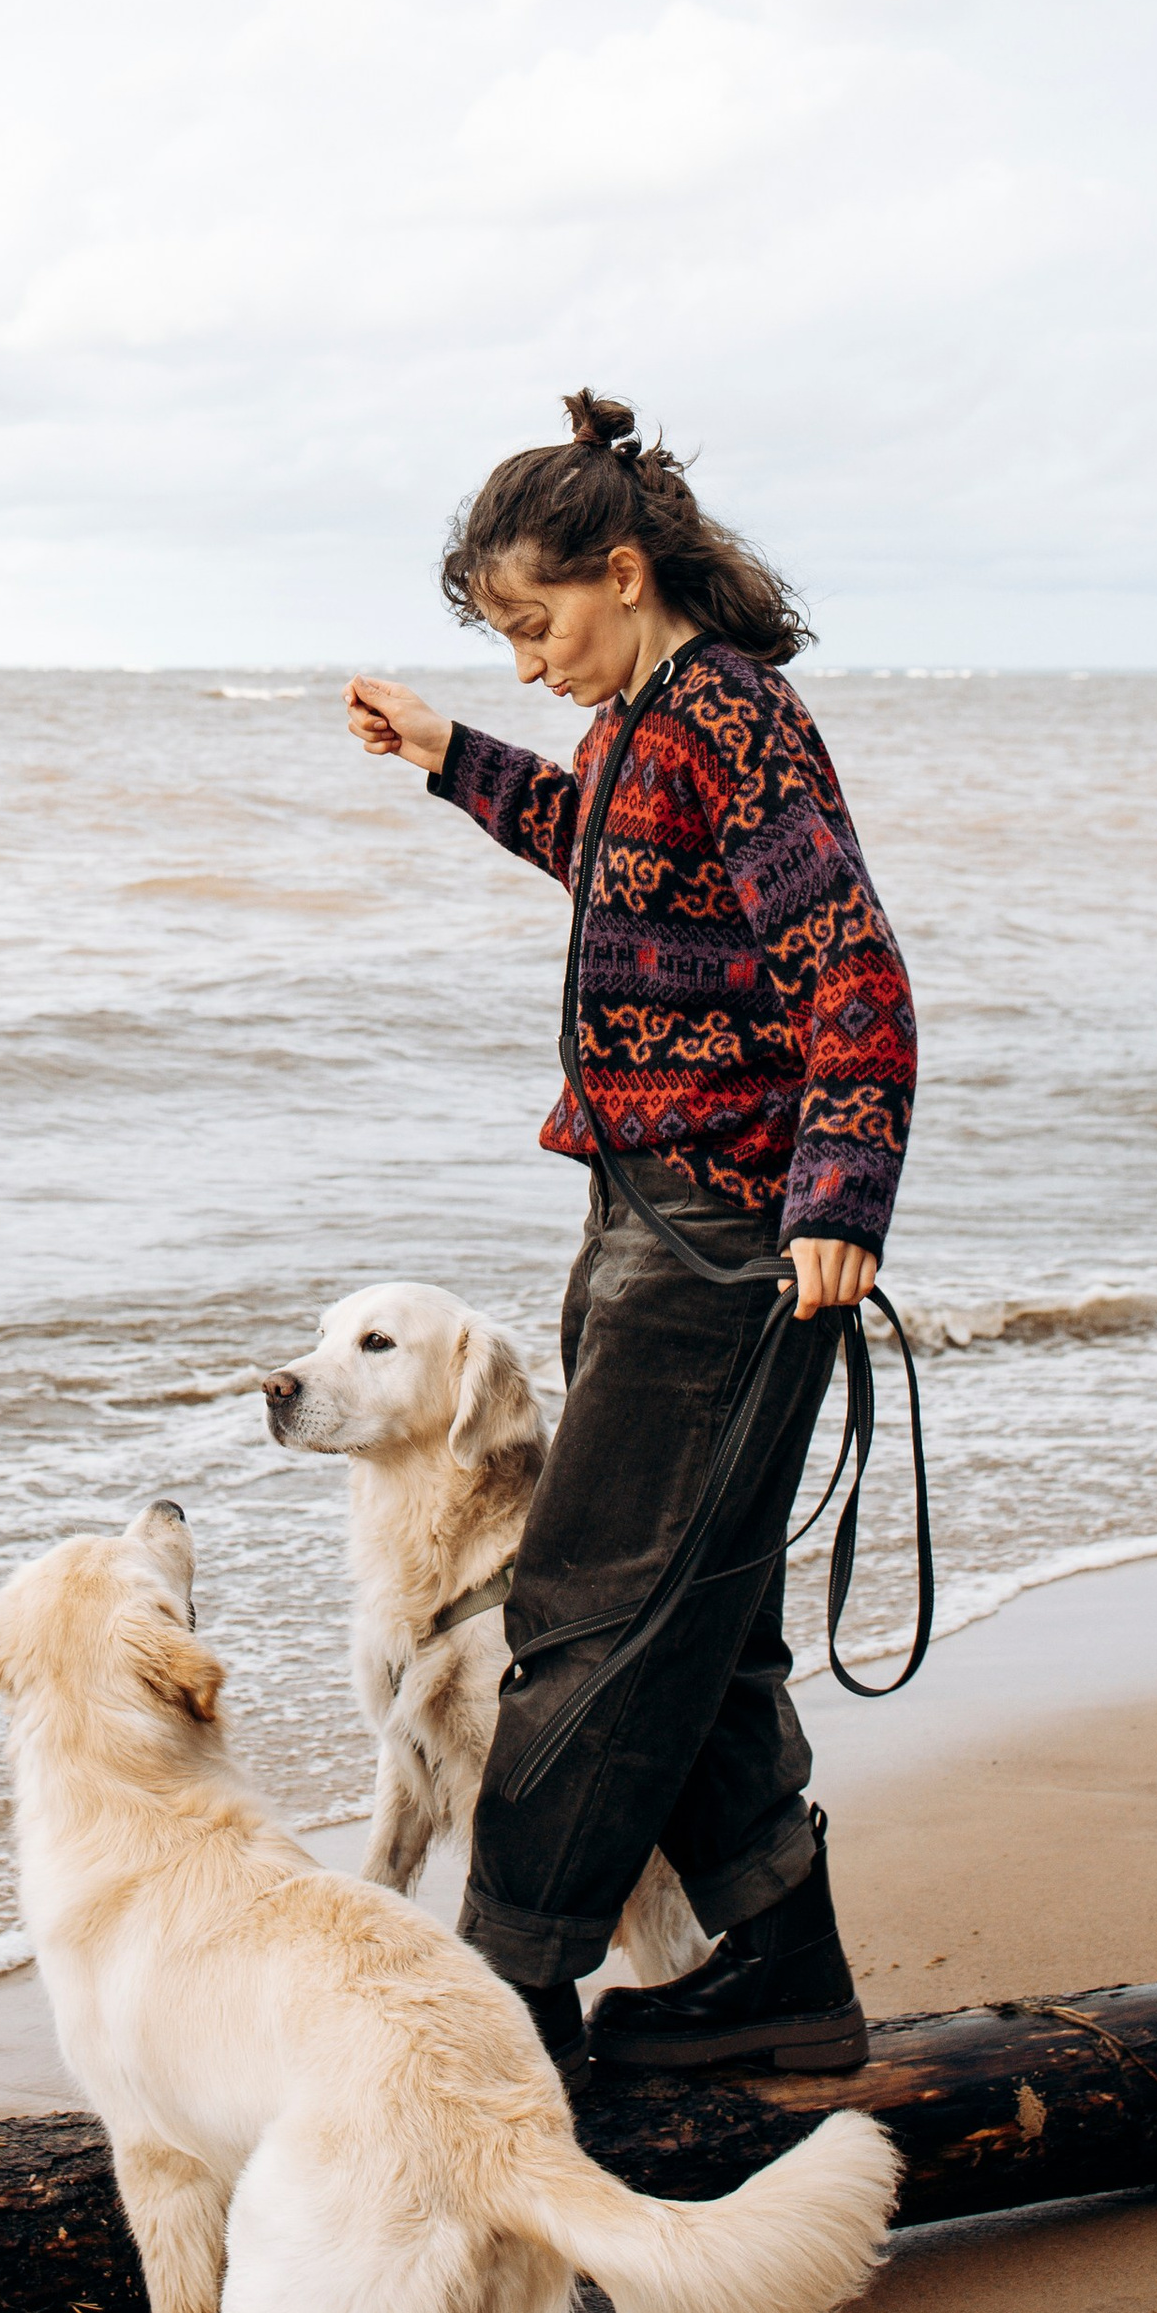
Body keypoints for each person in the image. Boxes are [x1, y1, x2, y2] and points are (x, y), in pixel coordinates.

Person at [344, 389, 916, 2087]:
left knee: (588, 1615)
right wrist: (456, 758)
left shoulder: (735, 715)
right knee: (705, 1620)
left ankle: (500, 1999)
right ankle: (785, 1973)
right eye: (504, 639)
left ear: (622, 569)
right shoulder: (641, 726)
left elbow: (855, 973)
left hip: (732, 1246)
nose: (529, 660)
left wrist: (839, 1202)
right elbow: (604, 857)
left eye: (537, 623)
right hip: (640, 1217)